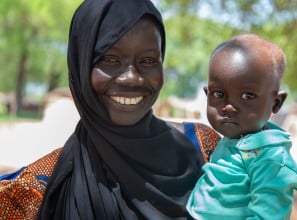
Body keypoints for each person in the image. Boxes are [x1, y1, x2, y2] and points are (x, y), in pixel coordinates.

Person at [0, 0, 220, 219]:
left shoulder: (206, 151)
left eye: (148, 60)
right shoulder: (31, 191)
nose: (131, 78)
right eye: (110, 60)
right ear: (81, 65)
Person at [186, 33, 297, 220]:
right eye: (218, 94)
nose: (229, 107)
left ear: (276, 103)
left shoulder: (269, 157)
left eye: (247, 96)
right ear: (207, 93)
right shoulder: (235, 138)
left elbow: (268, 216)